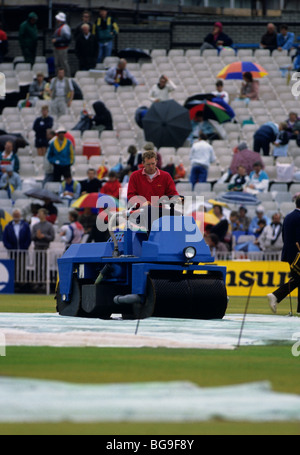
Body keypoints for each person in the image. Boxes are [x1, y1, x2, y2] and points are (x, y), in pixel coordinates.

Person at [127, 149, 180, 232]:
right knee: (149, 212)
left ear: (156, 162)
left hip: (158, 212)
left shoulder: (166, 176)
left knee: (178, 215)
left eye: (153, 164)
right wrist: (142, 203)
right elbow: (131, 196)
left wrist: (176, 199)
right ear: (143, 163)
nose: (151, 167)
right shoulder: (135, 176)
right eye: (148, 164)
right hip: (140, 212)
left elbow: (172, 194)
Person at [267, 196, 300, 313]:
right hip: (298, 253)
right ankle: (276, 295)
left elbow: (284, 236)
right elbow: (298, 239)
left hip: (289, 252)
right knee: (297, 279)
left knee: (298, 278)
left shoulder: (288, 217)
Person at [52, 12, 71, 77]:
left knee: (63, 64)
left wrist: (57, 40)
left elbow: (67, 38)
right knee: (57, 64)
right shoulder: (59, 27)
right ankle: (58, 76)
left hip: (62, 49)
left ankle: (67, 77)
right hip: (57, 48)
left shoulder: (65, 27)